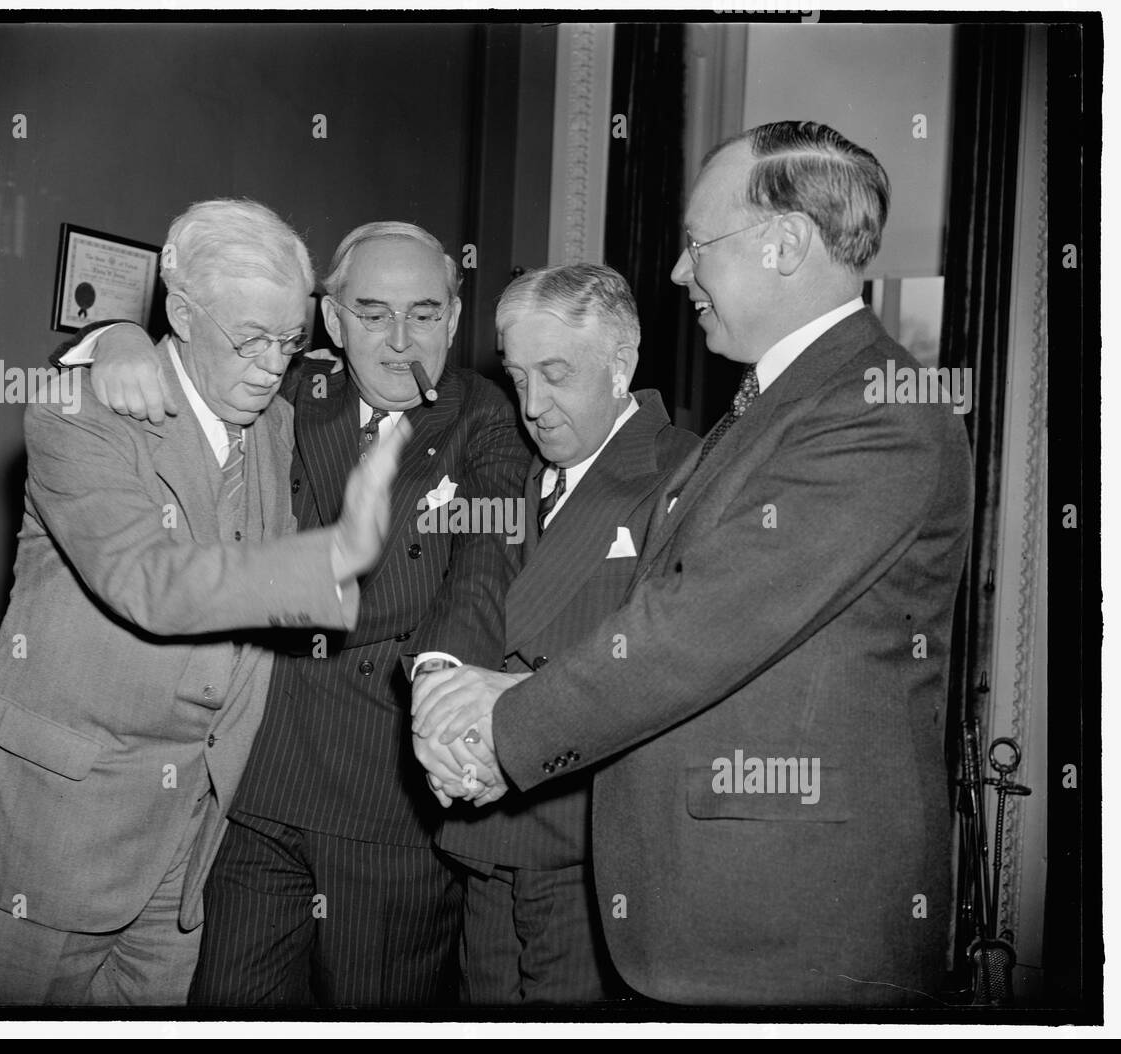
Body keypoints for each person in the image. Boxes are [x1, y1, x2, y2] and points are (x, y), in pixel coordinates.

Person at [414, 121, 975, 1007]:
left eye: (697, 245)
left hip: (788, 928)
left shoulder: (875, 409)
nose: (679, 274)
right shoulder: (779, 401)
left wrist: (508, 719)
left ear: (785, 242)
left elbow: (699, 627)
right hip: (720, 913)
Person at [0, 198, 409, 1006]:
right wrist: (330, 558)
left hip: (186, 847)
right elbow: (149, 581)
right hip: (48, 833)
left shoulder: (280, 423)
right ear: (181, 313)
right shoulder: (81, 410)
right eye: (249, 339)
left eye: (288, 342)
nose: (270, 365)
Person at [72, 221, 532, 1006]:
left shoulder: (485, 417)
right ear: (332, 321)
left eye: (424, 314)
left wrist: (440, 675)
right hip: (260, 783)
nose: (399, 341)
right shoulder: (292, 392)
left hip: (389, 794)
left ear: (454, 321)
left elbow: (485, 565)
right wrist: (111, 339)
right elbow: (195, 357)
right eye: (372, 312)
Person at [415, 264, 698, 1005]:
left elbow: (665, 668)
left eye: (555, 375)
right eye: (517, 377)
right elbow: (464, 602)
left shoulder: (685, 471)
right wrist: (448, 732)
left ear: (621, 365)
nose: (532, 406)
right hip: (486, 834)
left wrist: (503, 728)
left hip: (587, 853)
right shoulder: (514, 469)